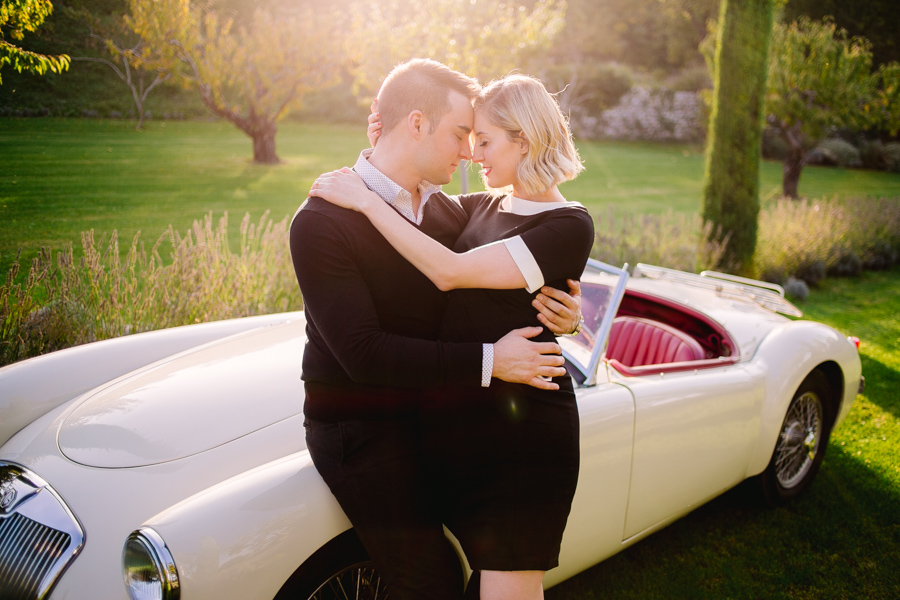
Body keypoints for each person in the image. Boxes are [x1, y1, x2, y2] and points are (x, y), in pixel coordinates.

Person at [290, 59, 583, 600]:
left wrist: (565, 309)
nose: (470, 151)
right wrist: (492, 360)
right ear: (417, 125)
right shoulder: (322, 221)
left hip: (441, 416)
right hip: (362, 429)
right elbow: (362, 353)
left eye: (479, 138)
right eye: (461, 133)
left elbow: (520, 236)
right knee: (432, 580)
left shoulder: (450, 214)